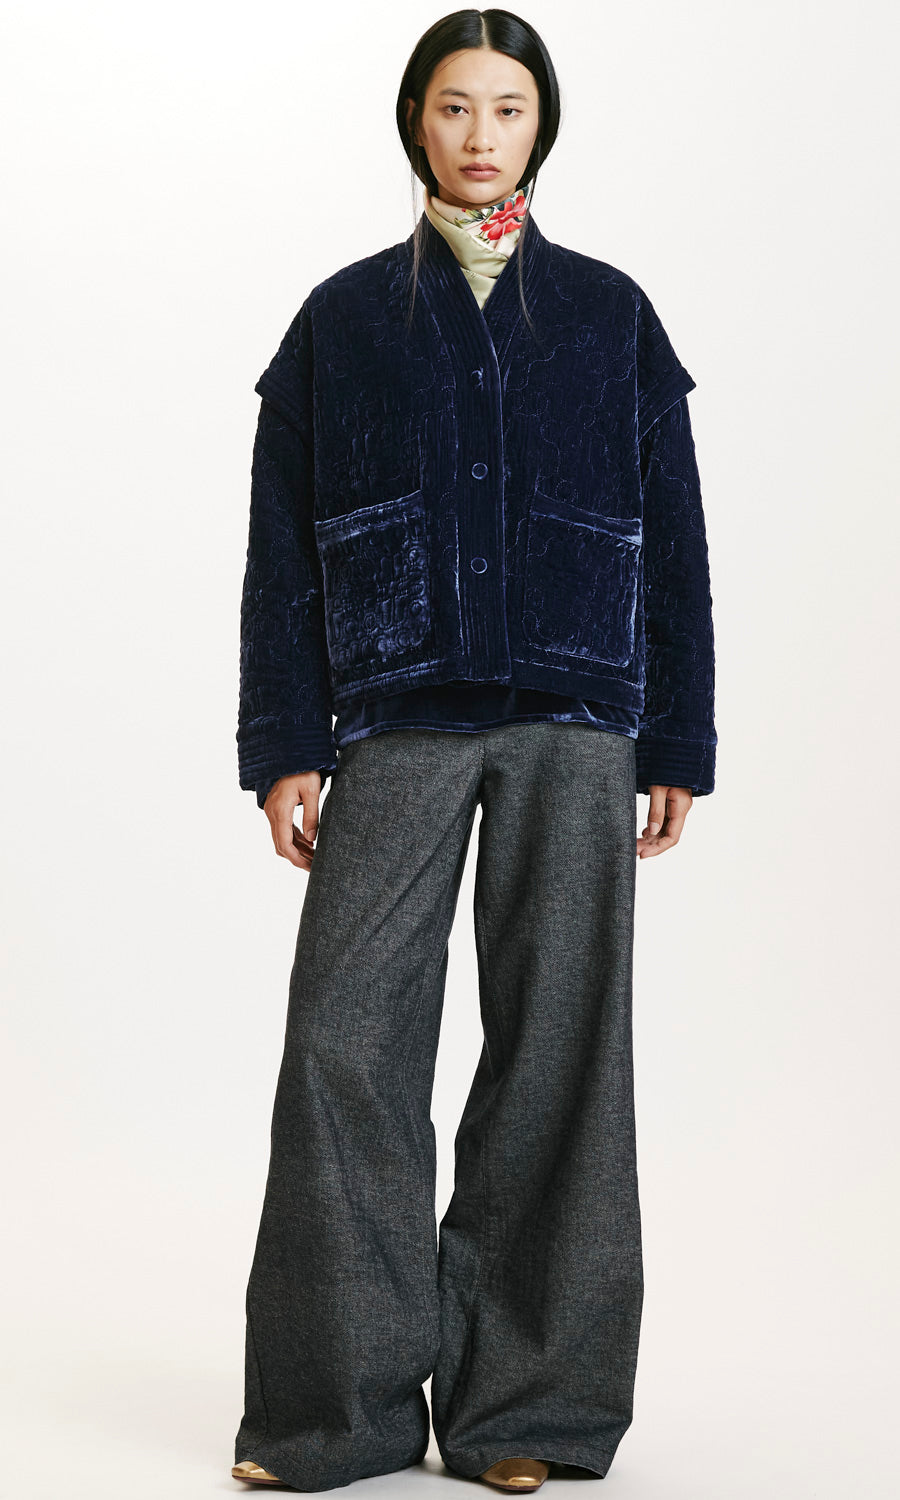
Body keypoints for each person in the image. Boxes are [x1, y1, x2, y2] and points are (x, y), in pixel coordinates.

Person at [231, 9, 716, 1495]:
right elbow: (279, 546)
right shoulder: (342, 318)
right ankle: (335, 1415)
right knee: (344, 1043)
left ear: (540, 125)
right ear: (416, 123)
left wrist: (677, 734)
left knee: (562, 1046)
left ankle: (529, 1414)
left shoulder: (611, 314)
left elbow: (677, 542)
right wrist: (284, 741)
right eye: (455, 106)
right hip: (396, 712)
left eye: (508, 107)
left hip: (579, 718)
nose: (482, 134)